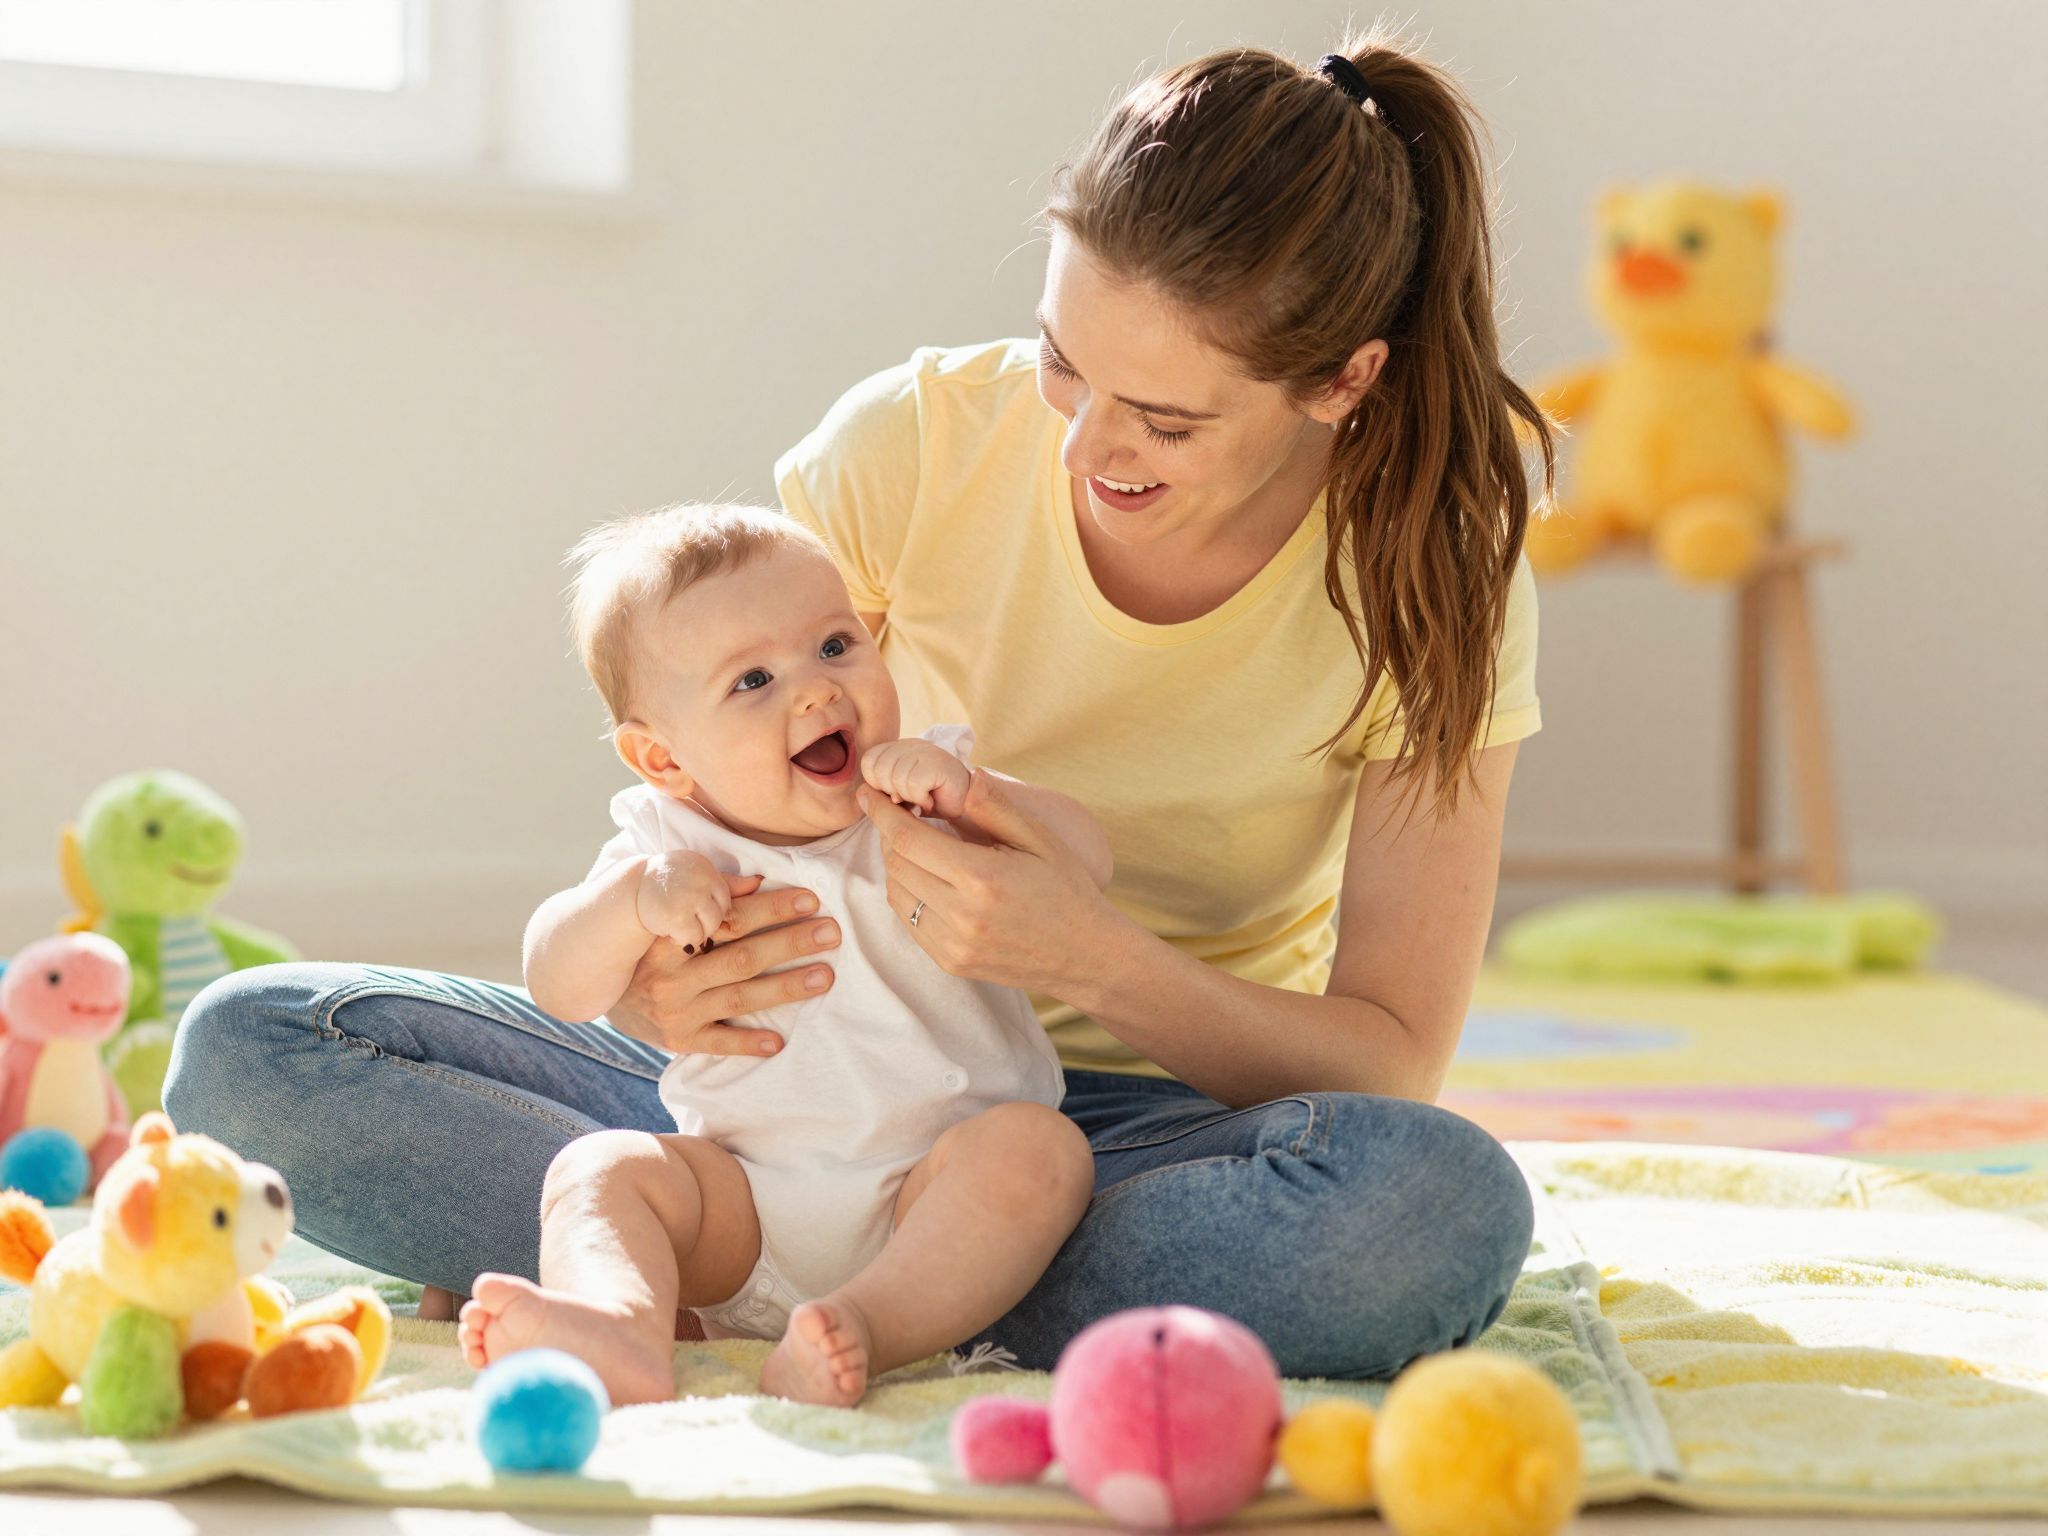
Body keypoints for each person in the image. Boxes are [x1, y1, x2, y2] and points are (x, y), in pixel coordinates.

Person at [165, 30, 1553, 1379]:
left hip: (1109, 1138)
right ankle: (772, 1277)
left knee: (1428, 1210)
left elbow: (1388, 1061)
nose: (1080, 444)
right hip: (770, 1112)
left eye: (1165, 420)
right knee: (259, 1051)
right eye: (1062, 358)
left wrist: (1089, 957)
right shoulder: (917, 442)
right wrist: (664, 991)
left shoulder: (1430, 573)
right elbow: (722, 728)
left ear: (1341, 381)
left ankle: (858, 1284)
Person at [456, 505, 1102, 1406]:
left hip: (939, 1190)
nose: (815, 691)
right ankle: (619, 1325)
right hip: (749, 1208)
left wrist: (978, 799)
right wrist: (634, 901)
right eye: (753, 679)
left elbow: (1090, 862)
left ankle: (862, 1330)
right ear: (663, 760)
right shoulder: (665, 841)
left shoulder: (930, 785)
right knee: (598, 1170)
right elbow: (555, 981)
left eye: (836, 646)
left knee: (1043, 1154)